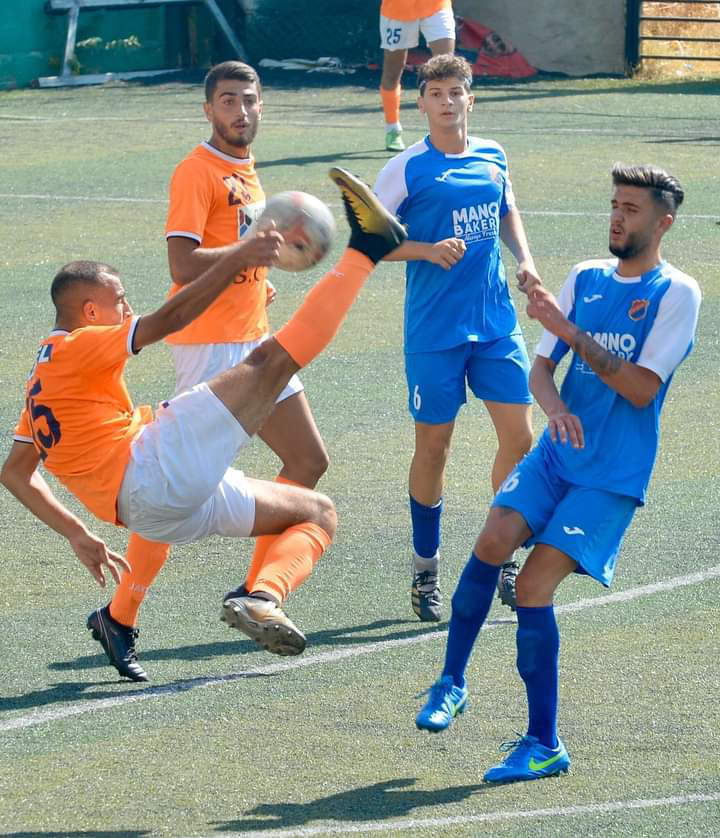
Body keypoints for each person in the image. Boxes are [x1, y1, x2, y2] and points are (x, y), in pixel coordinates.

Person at [0, 168, 407, 680]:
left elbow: (15, 472)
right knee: (271, 362)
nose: (127, 307)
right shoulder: (78, 344)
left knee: (317, 513)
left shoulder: (40, 378)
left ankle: (262, 597)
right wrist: (241, 255)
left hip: (151, 514)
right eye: (119, 300)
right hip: (152, 468)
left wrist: (78, 534)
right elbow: (167, 320)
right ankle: (367, 249)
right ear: (89, 311)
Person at [414, 163, 701, 783]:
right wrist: (556, 409)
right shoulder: (585, 277)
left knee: (533, 587)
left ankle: (544, 742)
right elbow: (542, 370)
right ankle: (451, 682)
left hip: (611, 475)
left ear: (663, 222)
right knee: (492, 539)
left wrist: (566, 328)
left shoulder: (677, 294)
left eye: (631, 209)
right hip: (556, 454)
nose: (617, 217)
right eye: (615, 204)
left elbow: (641, 389)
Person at [99, 60, 333, 680]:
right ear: (208, 109)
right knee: (183, 492)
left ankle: (257, 596)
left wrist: (256, 280)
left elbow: (237, 257)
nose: (240, 111)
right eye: (228, 101)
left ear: (262, 106)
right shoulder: (196, 170)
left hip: (253, 338)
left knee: (307, 461)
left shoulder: (247, 171)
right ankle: (120, 615)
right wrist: (246, 255)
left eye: (249, 100)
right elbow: (183, 264)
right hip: (209, 349)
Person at [373, 53, 541, 622]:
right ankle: (425, 568)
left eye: (455, 93)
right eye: (436, 93)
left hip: (496, 324)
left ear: (472, 99)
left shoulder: (493, 155)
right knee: (434, 448)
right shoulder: (406, 169)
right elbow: (368, 241)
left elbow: (507, 210)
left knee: (521, 439)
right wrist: (425, 250)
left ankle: (504, 555)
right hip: (434, 331)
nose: (447, 102)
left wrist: (525, 259)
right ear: (420, 103)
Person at [379, 1, 456, 151]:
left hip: (436, 7)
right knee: (392, 72)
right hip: (397, 9)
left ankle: (451, 130)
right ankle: (392, 128)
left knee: (447, 69)